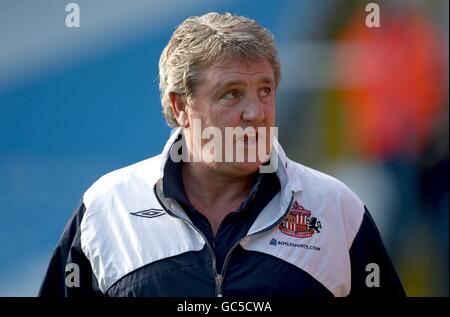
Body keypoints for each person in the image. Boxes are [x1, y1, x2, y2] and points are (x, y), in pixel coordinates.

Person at [39, 12, 405, 297]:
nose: (256, 112)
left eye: (265, 90)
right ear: (180, 106)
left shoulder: (336, 208)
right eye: (232, 93)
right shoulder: (107, 208)